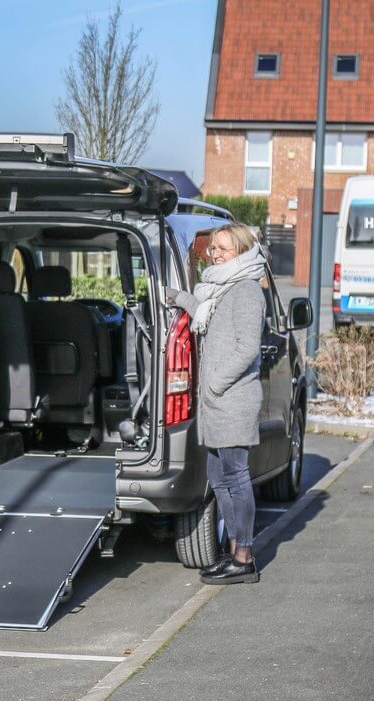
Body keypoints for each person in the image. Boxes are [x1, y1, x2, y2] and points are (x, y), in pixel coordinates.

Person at [165, 224, 267, 585]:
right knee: (217, 476)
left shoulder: (246, 290)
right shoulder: (223, 287)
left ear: (240, 251)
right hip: (217, 401)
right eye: (214, 249)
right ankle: (235, 549)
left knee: (236, 477)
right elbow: (207, 318)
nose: (216, 254)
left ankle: (245, 556)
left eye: (223, 249)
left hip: (232, 399)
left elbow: (248, 348)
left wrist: (215, 382)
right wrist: (178, 297)